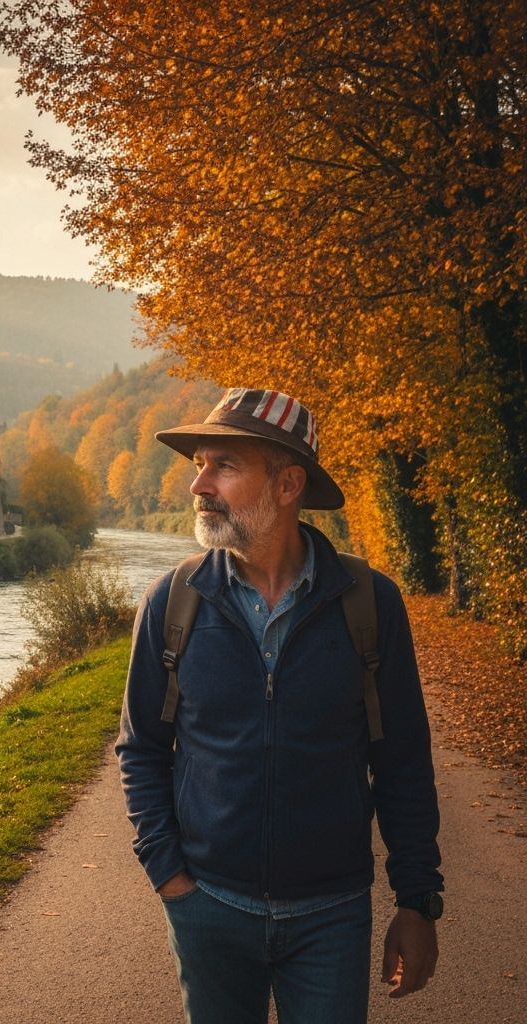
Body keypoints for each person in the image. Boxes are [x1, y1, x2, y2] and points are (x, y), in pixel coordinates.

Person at [116, 388, 443, 1024]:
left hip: (333, 914)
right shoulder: (171, 602)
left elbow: (403, 758)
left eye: (225, 466)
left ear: (288, 483)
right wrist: (169, 876)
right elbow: (141, 749)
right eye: (199, 465)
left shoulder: (370, 603)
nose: (200, 485)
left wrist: (418, 899)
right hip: (207, 905)